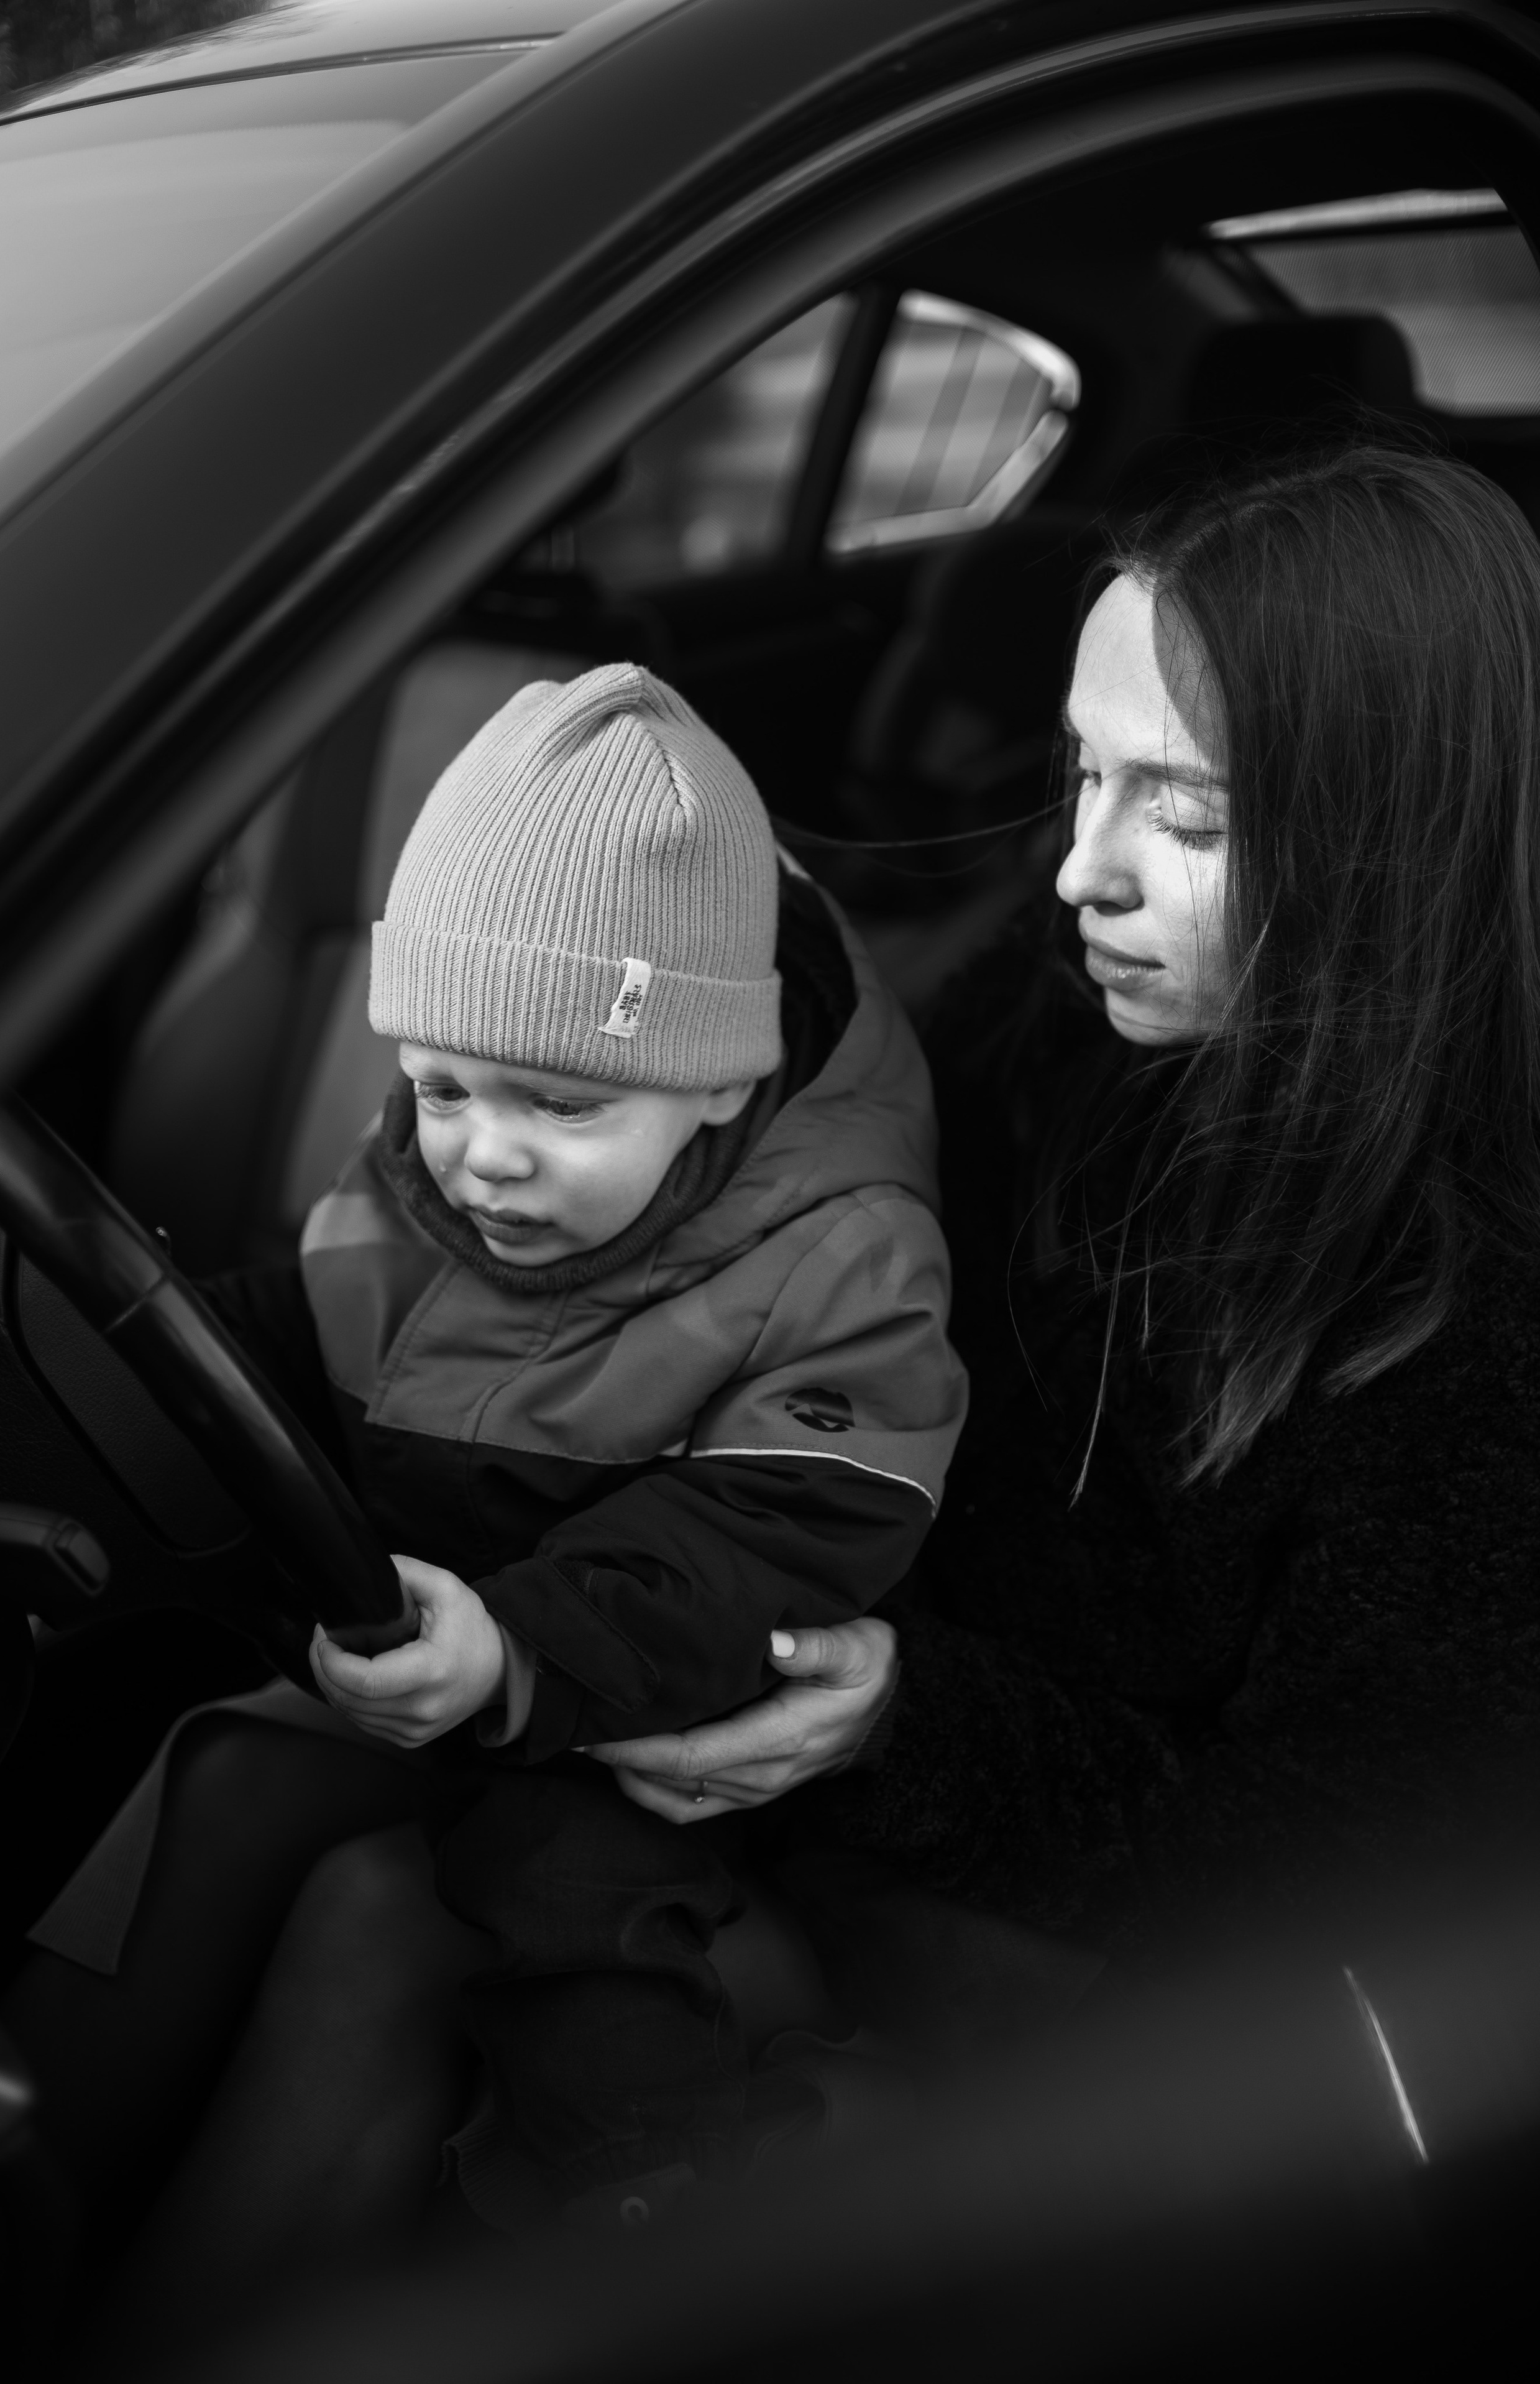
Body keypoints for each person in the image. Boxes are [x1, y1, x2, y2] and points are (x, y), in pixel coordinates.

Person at [12, 661, 965, 2245]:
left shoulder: (839, 1259)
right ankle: (26, 2219)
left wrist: (520, 1653)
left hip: (653, 1695)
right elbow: (318, 1326)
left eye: (557, 1103)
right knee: (209, 1766)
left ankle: (640, 2224)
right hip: (443, 1608)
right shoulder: (447, 1176)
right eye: (442, 1085)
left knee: (564, 1907)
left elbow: (768, 1543)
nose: (483, 1153)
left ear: (718, 1075)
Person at [589, 444, 1540, 1972]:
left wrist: (900, 1722)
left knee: (386, 1925)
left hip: (1087, 1978)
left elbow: (1325, 1876)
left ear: (1391, 841)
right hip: (812, 1721)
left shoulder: (1473, 1316)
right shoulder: (1058, 1023)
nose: (1076, 874)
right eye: (1082, 776)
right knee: (280, 1799)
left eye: (1189, 815)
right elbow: (827, 1206)